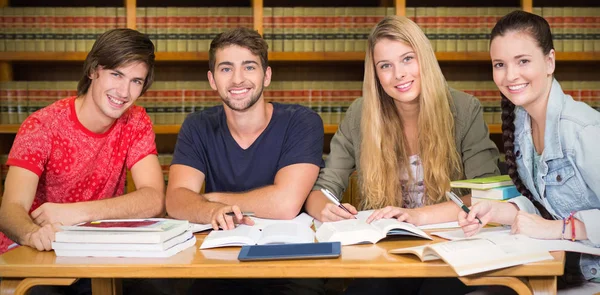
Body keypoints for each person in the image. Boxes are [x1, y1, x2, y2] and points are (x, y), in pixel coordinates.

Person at [303, 15, 500, 295]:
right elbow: (322, 189)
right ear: (375, 73)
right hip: (387, 254)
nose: (399, 74)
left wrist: (417, 216)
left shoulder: (464, 109)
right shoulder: (360, 115)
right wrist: (325, 207)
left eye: (408, 59)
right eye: (386, 65)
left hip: (451, 249)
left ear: (424, 59)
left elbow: (488, 194)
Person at [0, 28, 164, 294]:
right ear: (93, 71)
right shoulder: (42, 125)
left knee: (160, 287)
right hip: (38, 254)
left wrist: (77, 213)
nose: (123, 91)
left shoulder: (136, 121)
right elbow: (10, 210)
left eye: (136, 81)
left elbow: (154, 199)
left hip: (97, 253)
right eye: (116, 74)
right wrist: (33, 234)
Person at [165, 27, 325, 295]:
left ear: (267, 76)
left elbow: (286, 204)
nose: (238, 79)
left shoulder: (302, 123)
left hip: (291, 265)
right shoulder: (197, 126)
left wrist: (213, 199)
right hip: (219, 262)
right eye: (226, 69)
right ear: (212, 79)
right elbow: (176, 199)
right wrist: (209, 210)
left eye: (249, 67)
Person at [458, 10, 600, 294]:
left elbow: (553, 224)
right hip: (556, 271)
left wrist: (559, 230)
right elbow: (549, 206)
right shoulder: (523, 124)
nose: (510, 76)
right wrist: (504, 211)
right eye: (500, 64)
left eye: (523, 61)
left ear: (550, 61)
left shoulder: (582, 129)